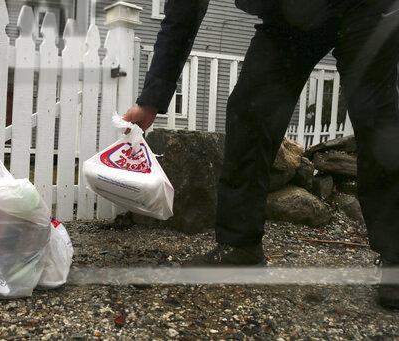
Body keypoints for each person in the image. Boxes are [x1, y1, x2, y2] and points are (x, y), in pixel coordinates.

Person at [122, 0, 399, 309]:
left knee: (377, 119)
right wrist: (151, 100)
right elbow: (182, 15)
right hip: (291, 16)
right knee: (250, 111)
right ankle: (239, 247)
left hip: (364, 7)